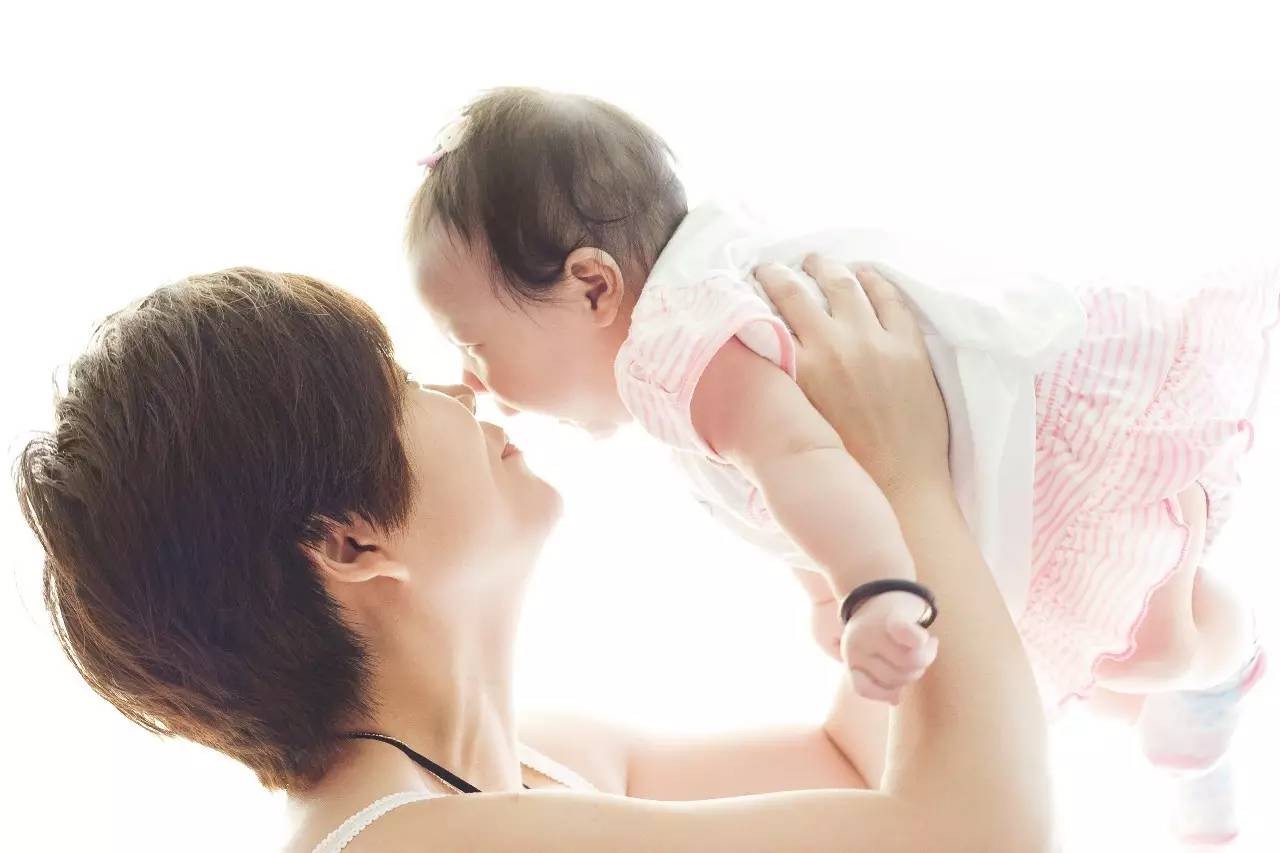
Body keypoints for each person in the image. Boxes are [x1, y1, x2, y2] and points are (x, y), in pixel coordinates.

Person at [408, 86, 1276, 843]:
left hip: (1049, 455)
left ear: (593, 286)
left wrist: (869, 587)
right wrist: (828, 590)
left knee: (1153, 647)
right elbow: (790, 482)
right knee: (1094, 677)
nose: (473, 379)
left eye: (474, 343)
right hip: (993, 479)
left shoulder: (675, 353)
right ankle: (1199, 715)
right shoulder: (696, 325)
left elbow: (803, 456)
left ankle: (1226, 667)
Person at [16, 262, 1051, 851]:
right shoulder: (404, 843)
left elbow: (855, 767)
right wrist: (905, 471)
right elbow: (973, 833)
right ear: (348, 539)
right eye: (401, 382)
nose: (462, 390)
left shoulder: (533, 767)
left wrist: (853, 548)